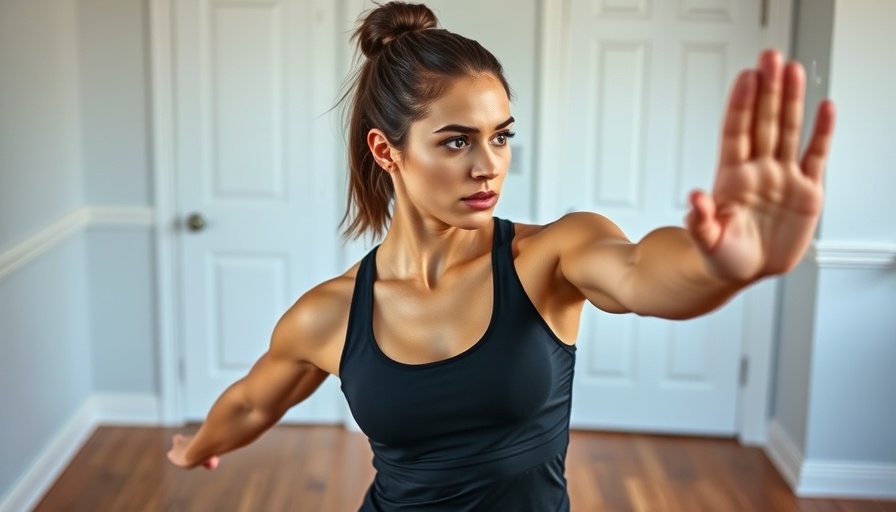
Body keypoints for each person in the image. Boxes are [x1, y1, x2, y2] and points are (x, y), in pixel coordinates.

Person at [167, 2, 836, 510]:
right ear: (386, 151)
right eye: (456, 142)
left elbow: (639, 273)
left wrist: (721, 265)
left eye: (501, 137)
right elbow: (254, 404)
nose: (489, 166)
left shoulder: (549, 257)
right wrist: (195, 448)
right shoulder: (329, 314)